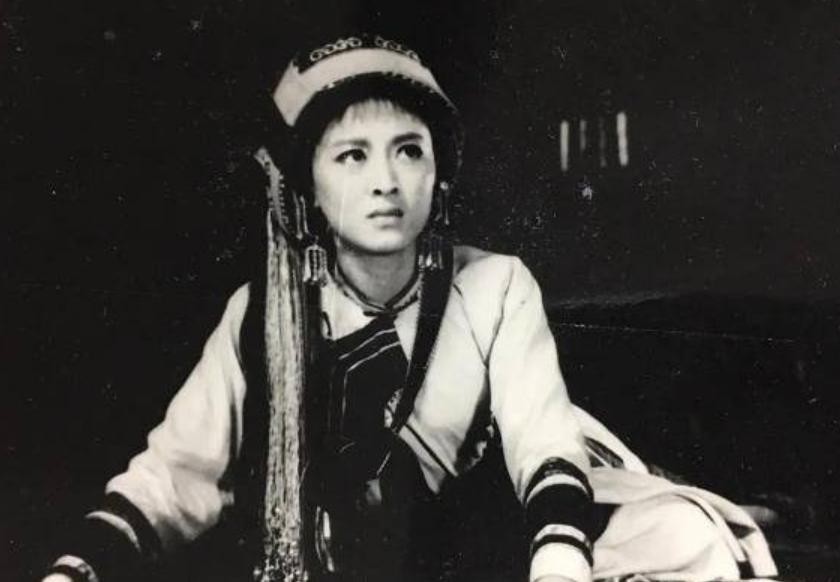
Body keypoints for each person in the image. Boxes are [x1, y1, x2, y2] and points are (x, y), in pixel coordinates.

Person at [42, 33, 777, 582]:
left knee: (686, 539)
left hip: (490, 530)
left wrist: (559, 558)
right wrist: (77, 567)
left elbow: (542, 443)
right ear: (307, 189)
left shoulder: (494, 285)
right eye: (352, 155)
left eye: (409, 150)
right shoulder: (261, 314)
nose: (386, 181)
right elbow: (175, 476)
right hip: (349, 553)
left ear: (437, 174)